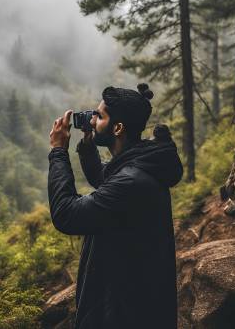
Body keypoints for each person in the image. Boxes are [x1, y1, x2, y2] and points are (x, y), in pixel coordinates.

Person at [48, 83, 183, 328]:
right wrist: (88, 145)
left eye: (99, 116)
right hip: (133, 303)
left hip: (123, 314)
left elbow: (66, 214)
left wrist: (58, 152)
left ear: (118, 128)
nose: (91, 120)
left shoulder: (131, 181)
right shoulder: (139, 164)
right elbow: (105, 180)